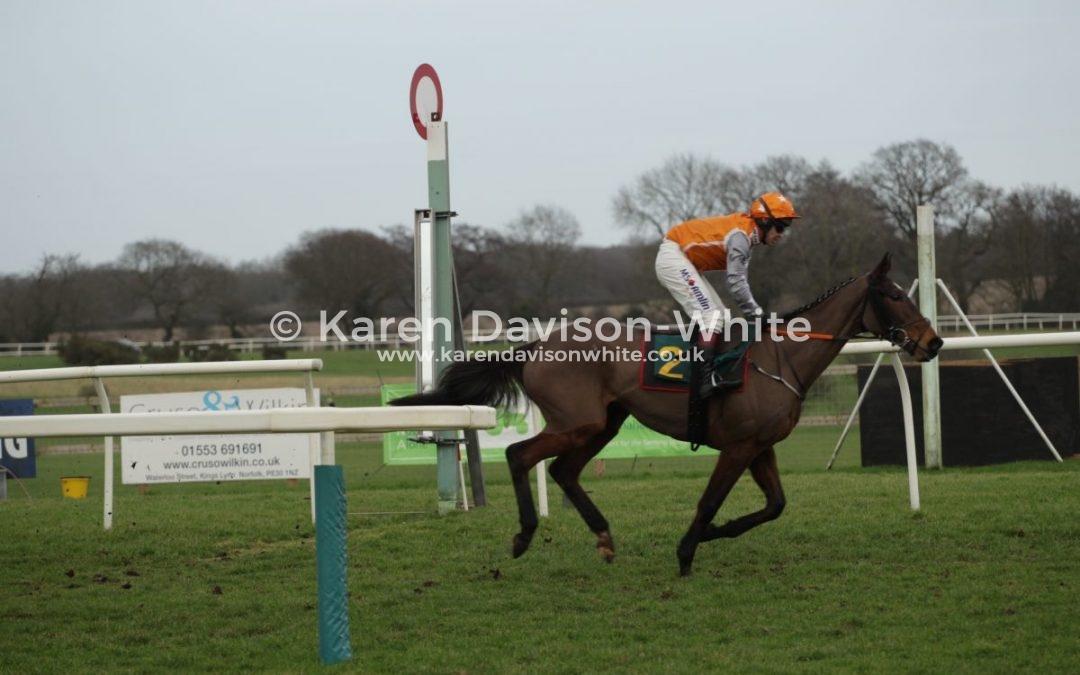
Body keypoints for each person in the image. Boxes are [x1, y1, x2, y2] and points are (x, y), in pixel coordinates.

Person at [654, 192, 800, 392]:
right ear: (765, 221)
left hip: (682, 258)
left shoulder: (748, 236)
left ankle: (712, 371)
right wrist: (757, 314)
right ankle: (703, 379)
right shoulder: (741, 237)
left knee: (723, 317)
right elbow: (736, 283)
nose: (782, 233)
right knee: (711, 318)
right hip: (673, 257)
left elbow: (739, 283)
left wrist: (755, 312)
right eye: (781, 226)